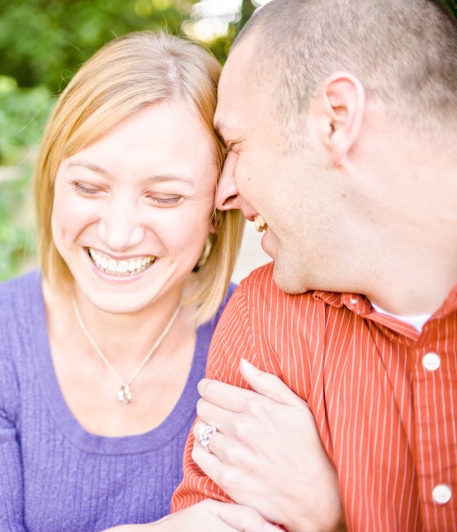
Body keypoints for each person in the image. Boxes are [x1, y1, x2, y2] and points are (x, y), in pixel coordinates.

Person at [0, 31, 333, 530]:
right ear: (53, 180)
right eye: (88, 186)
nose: (118, 235)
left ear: (216, 206)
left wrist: (330, 514)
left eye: (164, 197)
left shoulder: (267, 346)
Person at [121, 0, 457, 530]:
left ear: (336, 119)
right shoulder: (267, 321)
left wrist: (334, 519)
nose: (224, 192)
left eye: (235, 143)